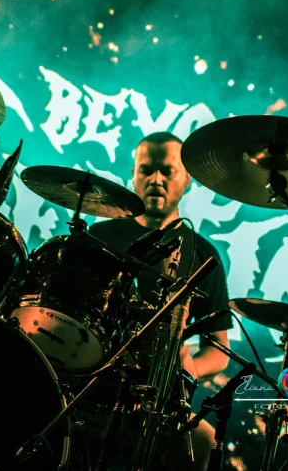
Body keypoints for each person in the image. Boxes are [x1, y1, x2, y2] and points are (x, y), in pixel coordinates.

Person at [87, 131, 233, 470]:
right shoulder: (99, 237)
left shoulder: (204, 255)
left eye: (167, 171)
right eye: (146, 170)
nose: (155, 179)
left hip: (156, 397)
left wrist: (191, 367)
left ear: (187, 179)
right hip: (92, 380)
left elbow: (219, 350)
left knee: (204, 443)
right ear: (134, 174)